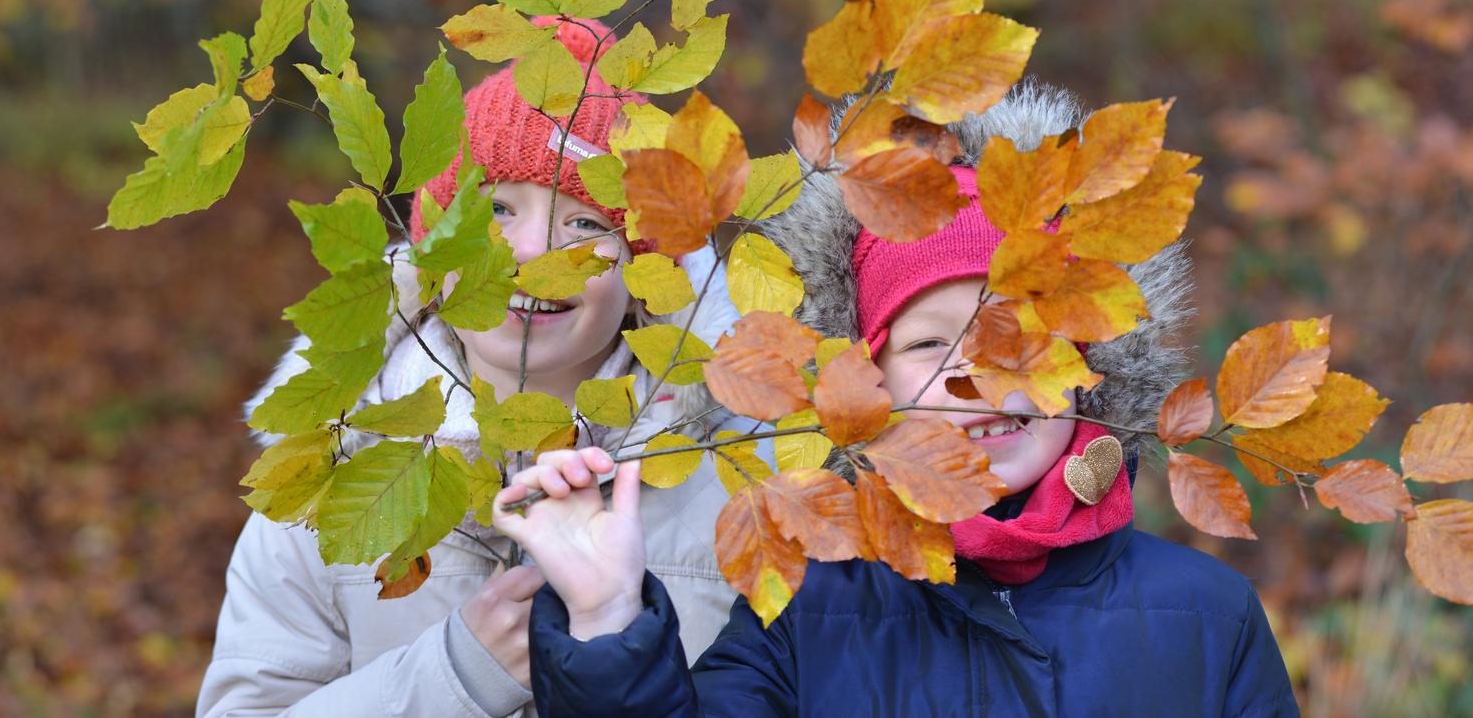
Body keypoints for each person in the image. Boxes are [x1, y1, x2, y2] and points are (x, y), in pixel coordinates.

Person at [494, 81, 1300, 717]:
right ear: (870, 384)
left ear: (1091, 362)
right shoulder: (806, 609)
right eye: (928, 343)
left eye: (1019, 329)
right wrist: (607, 624)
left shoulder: (1205, 615)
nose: (979, 370)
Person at [196, 18, 745, 718]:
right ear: (433, 245)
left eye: (585, 225)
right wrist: (458, 674)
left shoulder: (728, 481)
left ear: (648, 269)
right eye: (495, 210)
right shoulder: (329, 473)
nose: (532, 254)